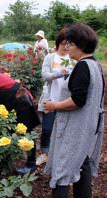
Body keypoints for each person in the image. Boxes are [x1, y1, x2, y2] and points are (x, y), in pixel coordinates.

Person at [43, 23, 104, 198]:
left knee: (63, 168)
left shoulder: (82, 66)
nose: (67, 47)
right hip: (89, 125)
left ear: (80, 45)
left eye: (70, 43)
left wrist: (55, 106)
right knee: (82, 162)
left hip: (75, 127)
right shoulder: (95, 65)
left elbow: (78, 101)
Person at [36, 28, 75, 166]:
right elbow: (44, 75)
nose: (66, 47)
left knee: (64, 129)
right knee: (47, 128)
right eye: (64, 43)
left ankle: (60, 155)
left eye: (69, 44)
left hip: (67, 100)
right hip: (51, 99)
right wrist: (58, 73)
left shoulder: (74, 60)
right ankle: (45, 153)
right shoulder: (50, 57)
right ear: (58, 43)